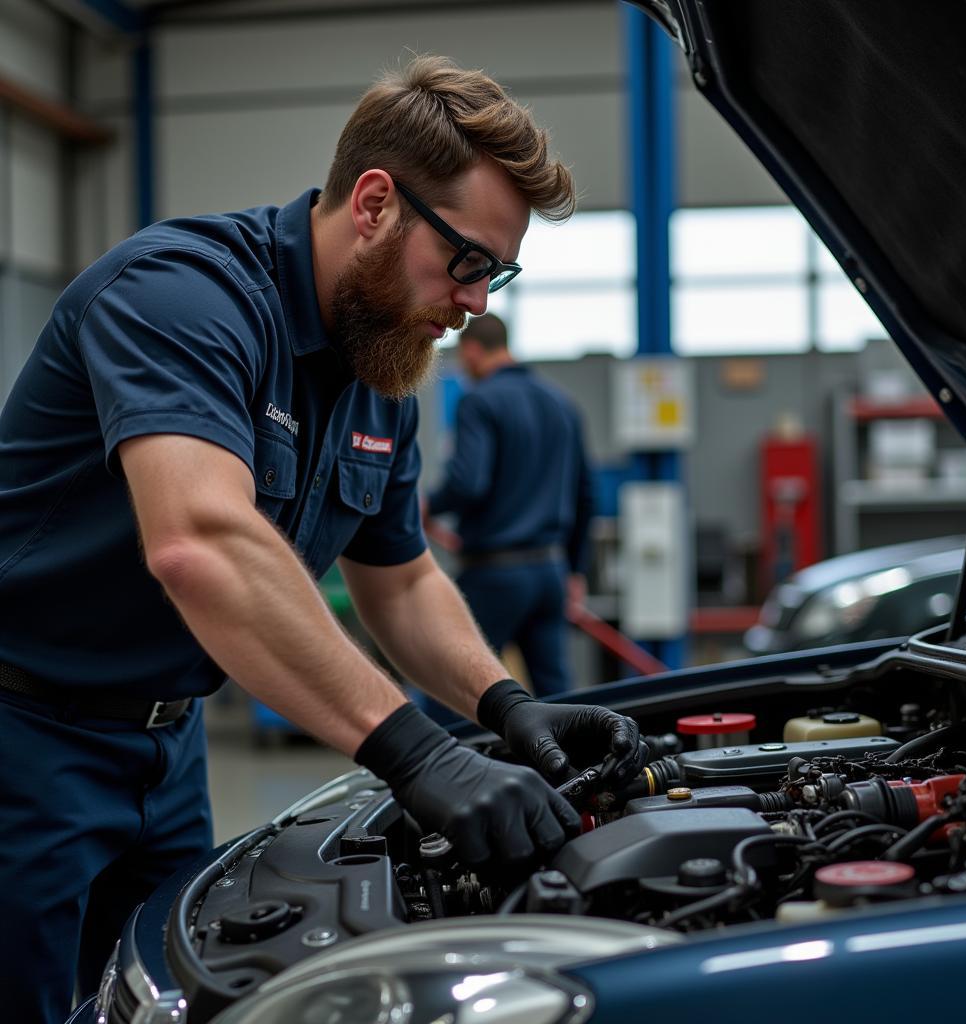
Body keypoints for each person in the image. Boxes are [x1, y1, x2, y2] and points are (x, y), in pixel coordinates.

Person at [0, 56, 646, 1023]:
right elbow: (201, 543)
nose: (476, 302)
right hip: (25, 738)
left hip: (165, 747)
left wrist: (504, 706)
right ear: (377, 202)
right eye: (467, 262)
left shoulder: (381, 371)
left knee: (161, 1003)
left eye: (496, 274)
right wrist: (419, 756)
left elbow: (403, 578)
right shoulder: (182, 298)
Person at [423, 313, 593, 702]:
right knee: (557, 698)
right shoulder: (562, 404)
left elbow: (468, 482)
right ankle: (575, 763)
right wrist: (576, 570)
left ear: (472, 350)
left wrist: (427, 506)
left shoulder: (478, 401)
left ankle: (427, 764)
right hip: (551, 571)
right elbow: (586, 494)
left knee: (450, 691)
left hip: (495, 576)